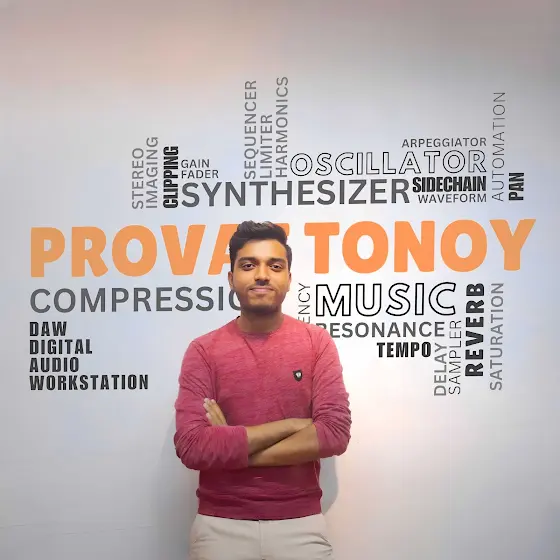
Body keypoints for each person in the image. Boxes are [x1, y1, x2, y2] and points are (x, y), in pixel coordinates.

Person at [173, 220, 351, 560]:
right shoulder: (203, 351)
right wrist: (293, 425)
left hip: (300, 524)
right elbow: (192, 446)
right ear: (231, 278)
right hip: (220, 526)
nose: (262, 275)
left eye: (275, 266)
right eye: (248, 265)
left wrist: (233, 448)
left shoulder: (316, 343)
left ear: (288, 278)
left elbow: (333, 434)